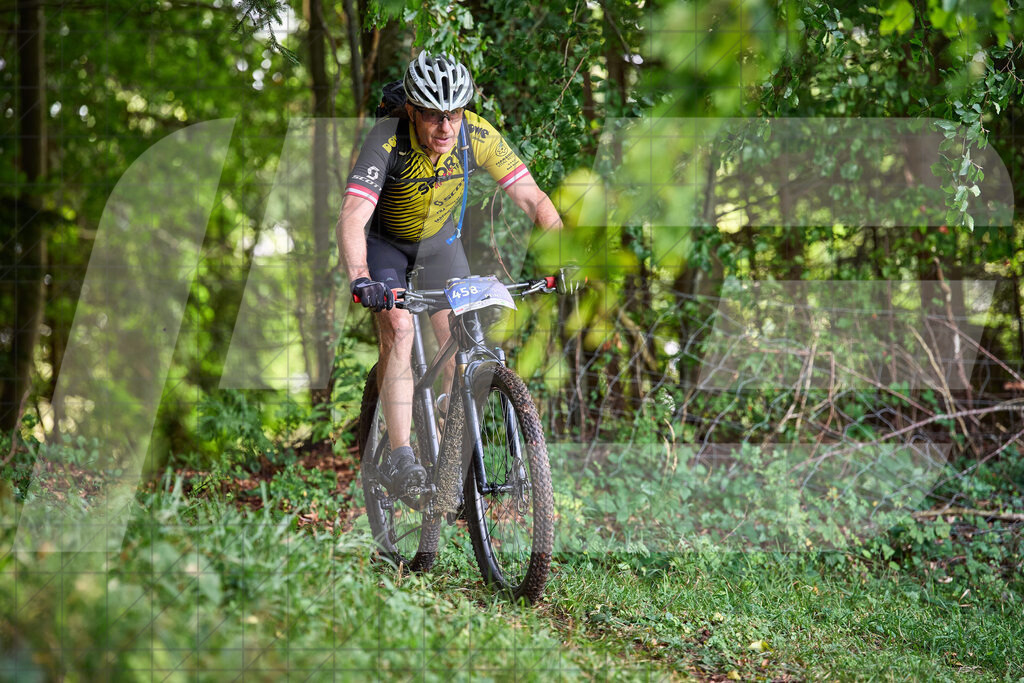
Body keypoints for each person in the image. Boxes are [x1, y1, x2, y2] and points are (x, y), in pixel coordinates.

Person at [336, 51, 565, 495]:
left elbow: (533, 199)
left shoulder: (476, 134)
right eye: (434, 117)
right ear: (412, 111)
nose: (445, 128)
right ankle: (402, 456)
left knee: (463, 336)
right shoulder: (387, 139)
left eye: (454, 115)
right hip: (387, 248)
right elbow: (351, 215)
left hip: (440, 247)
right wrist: (361, 277)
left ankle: (448, 436)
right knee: (400, 332)